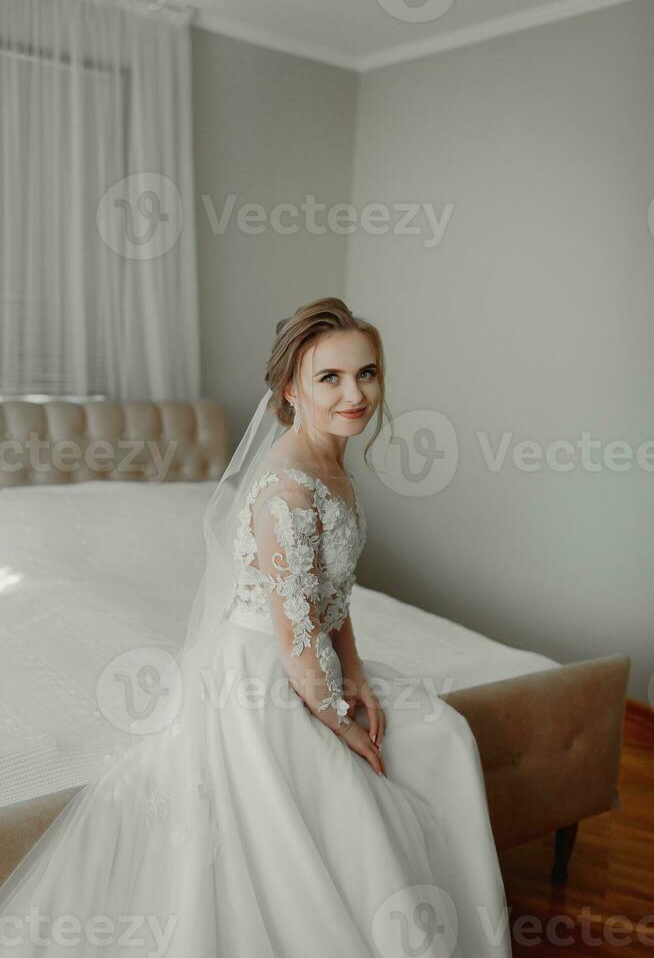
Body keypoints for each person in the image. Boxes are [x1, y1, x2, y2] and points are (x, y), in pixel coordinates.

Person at [0, 298, 513, 957]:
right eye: (330, 378)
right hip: (262, 679)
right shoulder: (288, 492)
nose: (354, 394)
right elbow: (298, 651)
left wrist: (355, 672)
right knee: (356, 798)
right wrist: (345, 724)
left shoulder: (332, 465)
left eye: (368, 373)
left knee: (443, 730)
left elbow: (333, 595)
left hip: (311, 659)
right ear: (291, 389)